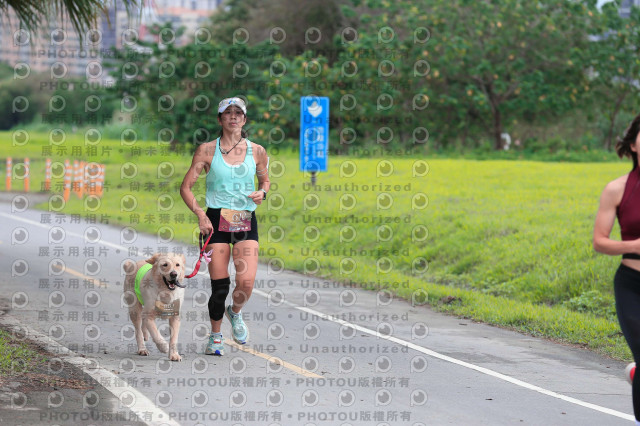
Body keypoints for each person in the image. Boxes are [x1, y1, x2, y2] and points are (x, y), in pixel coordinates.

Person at [180, 97, 270, 356]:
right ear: (220, 119)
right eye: (227, 113)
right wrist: (199, 213)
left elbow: (265, 182)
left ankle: (236, 312)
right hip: (215, 221)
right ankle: (215, 336)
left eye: (238, 113)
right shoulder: (207, 150)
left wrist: (262, 194)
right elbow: (185, 187)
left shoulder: (258, 151)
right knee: (220, 286)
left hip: (244, 219)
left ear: (244, 119)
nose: (233, 117)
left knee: (247, 281)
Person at [593, 113, 640, 425]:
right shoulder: (617, 189)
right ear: (634, 144)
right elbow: (599, 241)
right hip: (632, 285)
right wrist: (634, 246)